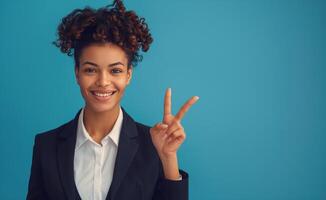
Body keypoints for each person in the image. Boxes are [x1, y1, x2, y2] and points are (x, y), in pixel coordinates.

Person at [27, 0, 199, 199]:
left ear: (128, 75)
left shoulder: (155, 144)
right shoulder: (46, 146)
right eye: (90, 70)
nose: (103, 81)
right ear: (77, 73)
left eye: (115, 70)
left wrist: (168, 157)